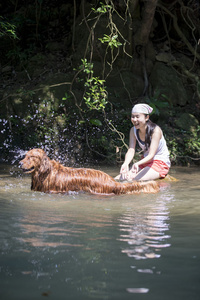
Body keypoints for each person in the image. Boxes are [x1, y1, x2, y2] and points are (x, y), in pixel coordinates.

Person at [116, 103, 171, 181]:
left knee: (135, 180)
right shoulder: (133, 130)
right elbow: (131, 149)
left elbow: (151, 155)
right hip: (145, 161)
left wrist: (137, 163)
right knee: (119, 179)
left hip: (160, 162)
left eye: (137, 117)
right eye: (133, 117)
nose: (134, 120)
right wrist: (125, 163)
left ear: (146, 117)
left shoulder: (156, 130)